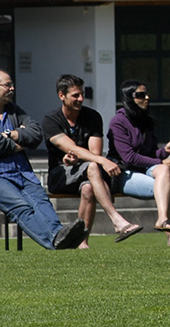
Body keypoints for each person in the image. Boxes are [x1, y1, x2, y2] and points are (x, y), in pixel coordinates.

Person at [0, 68, 86, 250]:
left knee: (41, 201)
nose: (12, 88)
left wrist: (10, 134)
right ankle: (55, 243)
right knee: (21, 207)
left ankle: (59, 235)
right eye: (8, 85)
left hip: (22, 172)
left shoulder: (14, 111)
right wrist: (21, 141)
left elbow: (36, 134)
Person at [43, 74, 143, 247]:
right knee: (93, 166)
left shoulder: (93, 117)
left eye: (82, 94)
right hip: (59, 176)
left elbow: (94, 153)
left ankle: (82, 243)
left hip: (87, 172)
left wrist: (84, 159)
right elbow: (72, 148)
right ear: (61, 95)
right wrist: (102, 161)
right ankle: (117, 220)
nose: (81, 99)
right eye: (75, 95)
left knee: (88, 188)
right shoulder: (51, 120)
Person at [107, 80, 170, 247]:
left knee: (164, 171)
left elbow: (150, 154)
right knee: (167, 186)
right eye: (141, 95)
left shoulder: (146, 121)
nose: (147, 98)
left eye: (147, 94)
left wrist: (166, 150)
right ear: (129, 98)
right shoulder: (117, 122)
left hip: (144, 169)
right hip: (124, 172)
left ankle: (162, 219)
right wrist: (162, 161)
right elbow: (129, 158)